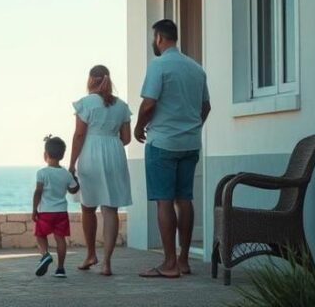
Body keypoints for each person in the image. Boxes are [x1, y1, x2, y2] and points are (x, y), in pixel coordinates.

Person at [135, 19, 211, 279]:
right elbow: (206, 107)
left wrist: (138, 128)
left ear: (159, 38)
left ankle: (168, 264)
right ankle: (184, 260)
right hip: (190, 143)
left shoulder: (159, 65)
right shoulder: (196, 69)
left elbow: (148, 104)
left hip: (163, 143)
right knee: (184, 200)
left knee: (164, 202)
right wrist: (192, 128)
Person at [68, 65, 132, 276]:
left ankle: (90, 254)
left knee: (88, 206)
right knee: (110, 208)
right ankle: (107, 262)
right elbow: (126, 139)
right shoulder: (121, 106)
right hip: (114, 153)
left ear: (90, 80)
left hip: (90, 153)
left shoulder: (85, 104)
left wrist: (71, 164)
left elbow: (78, 136)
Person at [32, 136, 79, 278]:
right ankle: (60, 269)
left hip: (46, 212)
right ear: (63, 155)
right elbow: (73, 190)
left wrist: (34, 209)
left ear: (45, 155)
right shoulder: (66, 174)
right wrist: (74, 177)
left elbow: (38, 192)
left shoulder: (42, 173)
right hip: (61, 212)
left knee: (40, 235)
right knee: (60, 239)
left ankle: (45, 254)